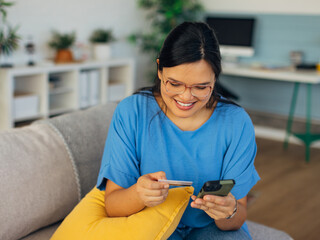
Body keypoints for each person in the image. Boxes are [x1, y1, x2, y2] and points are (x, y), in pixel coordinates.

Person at [96, 21, 260, 240]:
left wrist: (228, 211)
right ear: (160, 70)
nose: (185, 97)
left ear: (215, 78)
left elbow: (236, 219)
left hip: (209, 229)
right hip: (150, 224)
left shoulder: (236, 122)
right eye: (174, 84)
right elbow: (113, 206)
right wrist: (138, 194)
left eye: (201, 87)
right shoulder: (132, 112)